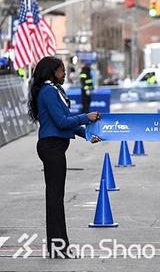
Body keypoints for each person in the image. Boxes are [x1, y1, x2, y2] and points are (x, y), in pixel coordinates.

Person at [27, 56, 101, 258]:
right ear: (52, 72)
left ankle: (57, 247)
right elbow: (61, 121)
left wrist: (86, 134)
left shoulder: (52, 90)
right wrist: (86, 117)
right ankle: (59, 248)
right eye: (61, 70)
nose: (65, 73)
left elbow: (66, 122)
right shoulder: (49, 91)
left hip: (55, 147)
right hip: (51, 148)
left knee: (55, 197)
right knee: (55, 199)